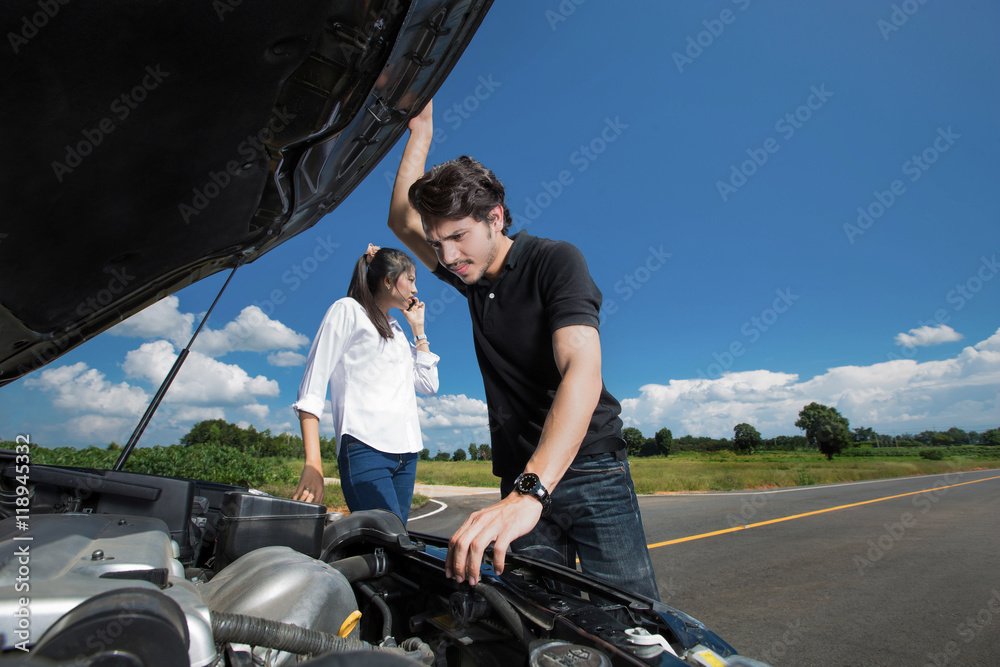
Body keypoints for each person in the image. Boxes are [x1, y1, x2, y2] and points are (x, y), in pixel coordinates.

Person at [386, 100, 659, 600]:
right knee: (537, 621)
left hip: (589, 468)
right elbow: (402, 224)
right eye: (436, 241)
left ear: (495, 218)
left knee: (628, 622)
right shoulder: (471, 279)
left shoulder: (555, 260)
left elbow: (582, 367)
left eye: (458, 237)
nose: (447, 257)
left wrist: (533, 490)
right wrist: (420, 132)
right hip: (518, 476)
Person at [291, 244, 439, 524]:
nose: (416, 289)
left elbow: (428, 384)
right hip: (365, 449)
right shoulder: (348, 310)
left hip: (406, 455)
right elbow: (312, 386)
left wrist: (418, 331)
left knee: (394, 546)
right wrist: (313, 462)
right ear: (387, 280)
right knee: (386, 538)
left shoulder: (396, 330)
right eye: (411, 279)